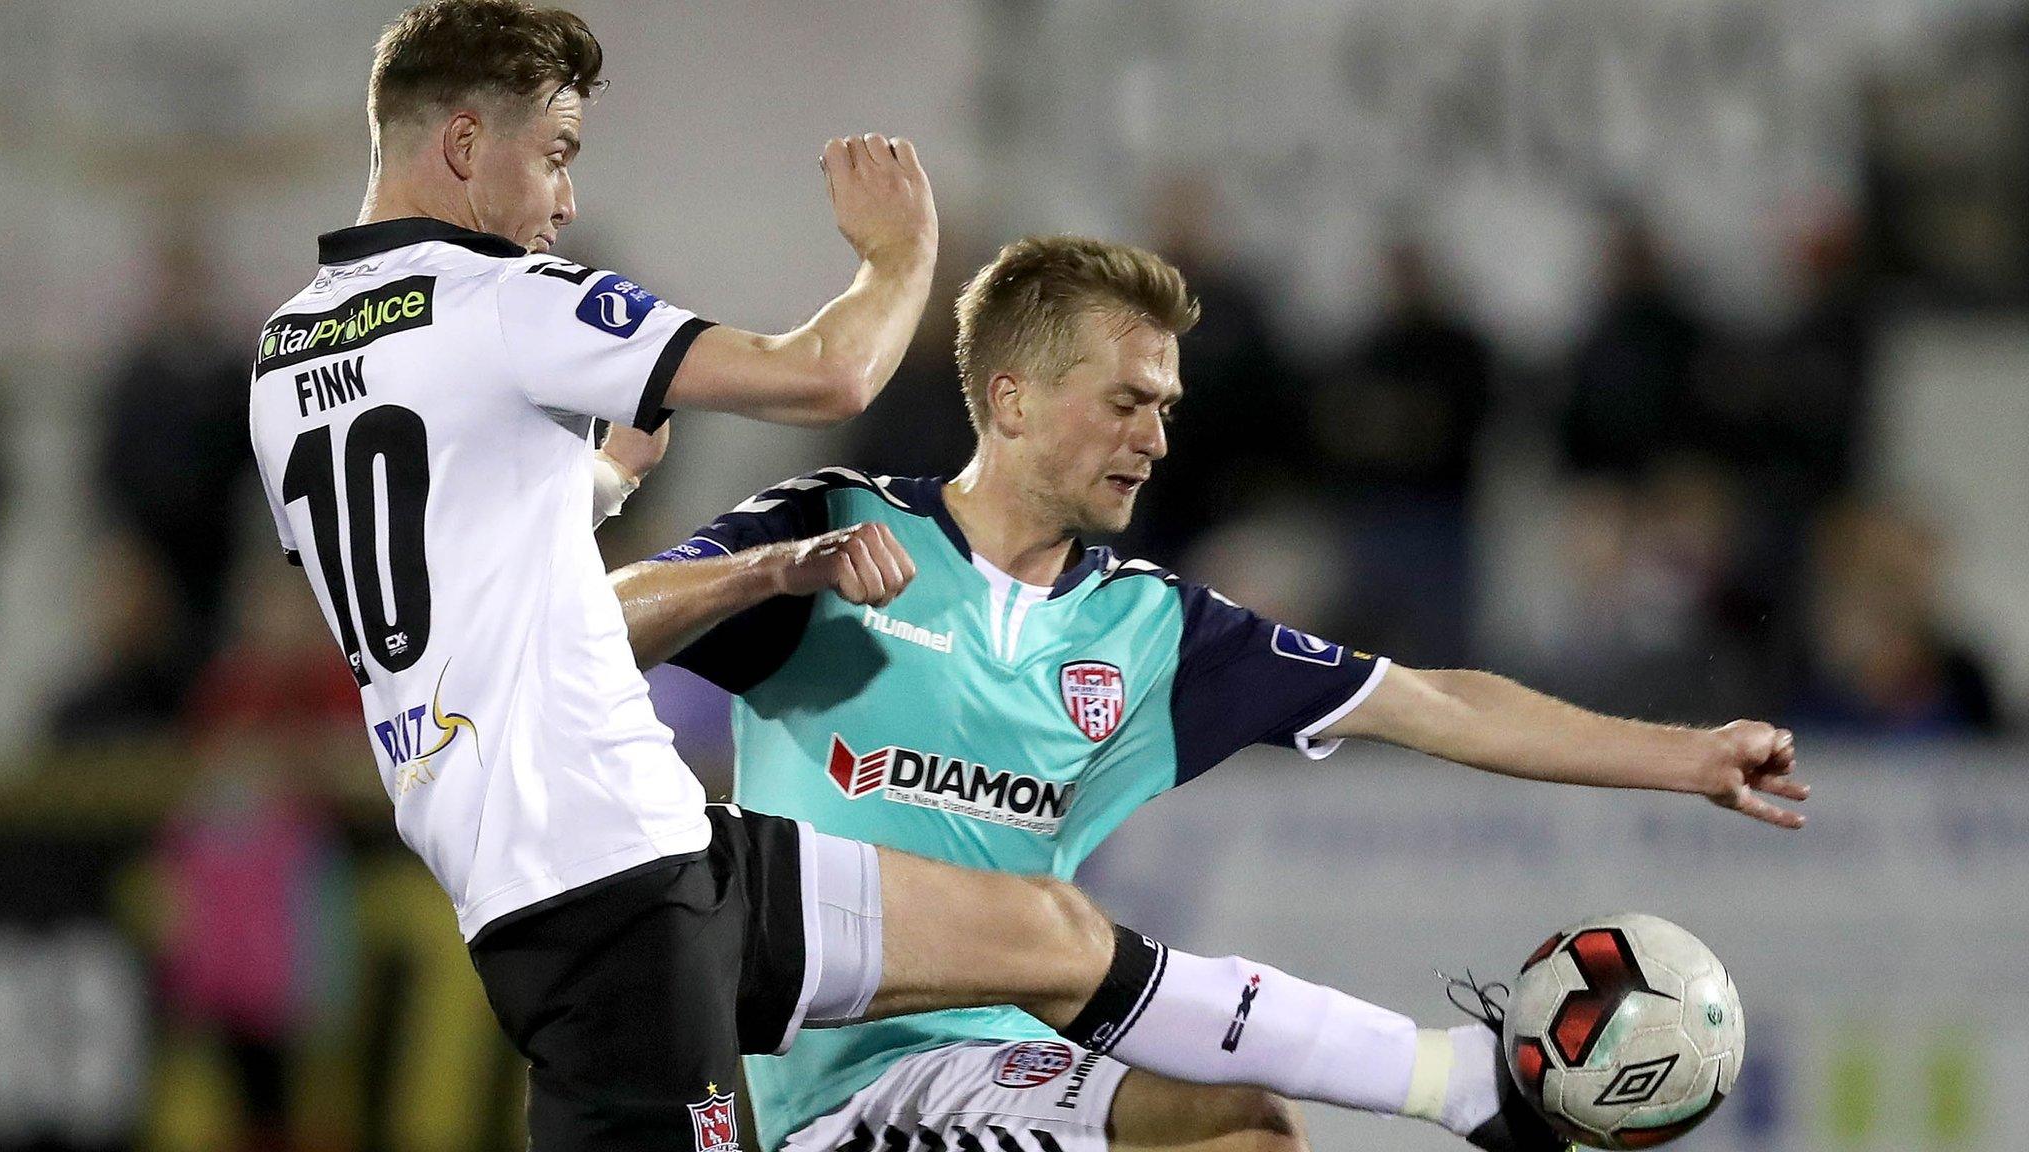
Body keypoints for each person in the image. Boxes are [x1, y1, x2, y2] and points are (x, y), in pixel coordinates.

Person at [248, 5, 1591, 1149]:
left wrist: (596, 486)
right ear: (464, 145)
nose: (566, 202)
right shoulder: (501, 299)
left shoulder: (285, 356)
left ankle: (1468, 1085)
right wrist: (899, 259)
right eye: (554, 156)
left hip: (643, 853)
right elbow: (823, 373)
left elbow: (435, 570)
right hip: (604, 899)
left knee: (1053, 938)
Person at [612, 235, 1811, 1152]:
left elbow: (1431, 703)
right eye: (1125, 401)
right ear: (1014, 397)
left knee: (1242, 1123)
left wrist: (1686, 757)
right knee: (1078, 960)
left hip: (1006, 1050)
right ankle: (1455, 1083)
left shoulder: (1149, 624)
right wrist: (759, 575)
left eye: (1167, 408)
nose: (1156, 438)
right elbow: (592, 628)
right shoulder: (835, 528)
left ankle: (1456, 1086)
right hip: (824, 1083)